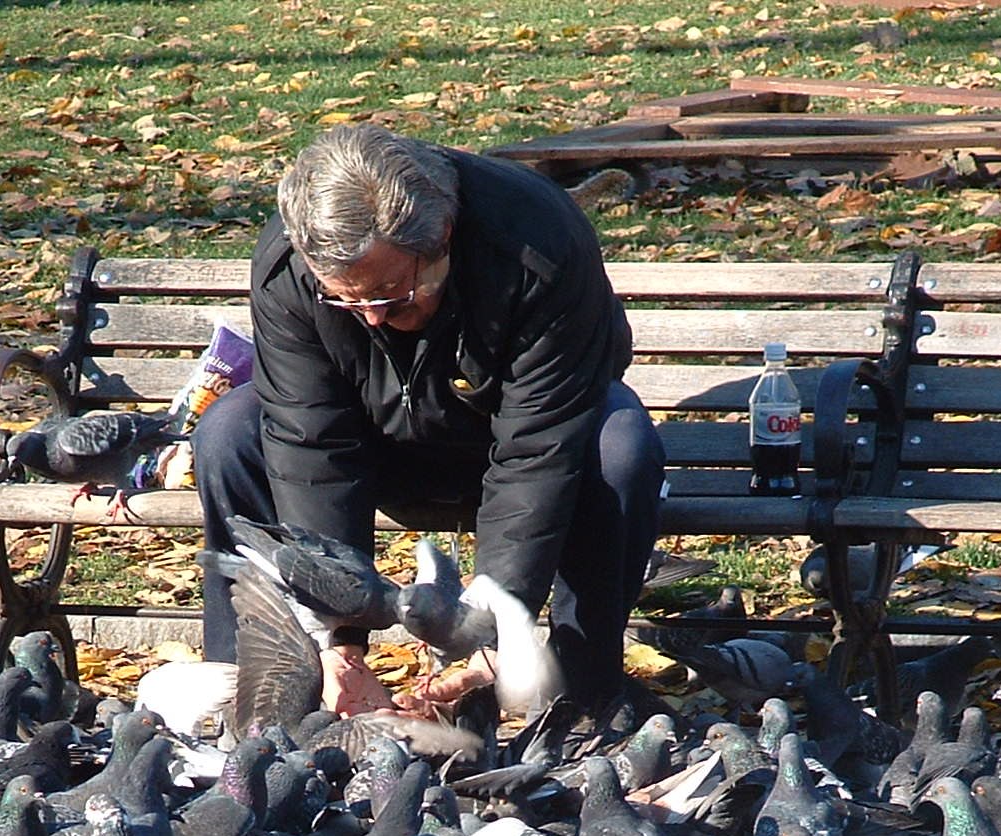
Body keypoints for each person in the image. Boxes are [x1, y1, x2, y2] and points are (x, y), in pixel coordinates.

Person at [194, 124, 664, 718]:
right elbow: (311, 442)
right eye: (345, 298)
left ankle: (583, 688)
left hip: (528, 439)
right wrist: (338, 645)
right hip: (376, 445)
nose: (369, 318)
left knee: (620, 445)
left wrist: (495, 634)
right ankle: (259, 694)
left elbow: (540, 442)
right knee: (229, 433)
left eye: (393, 290)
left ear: (440, 235)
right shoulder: (291, 264)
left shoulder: (537, 244)